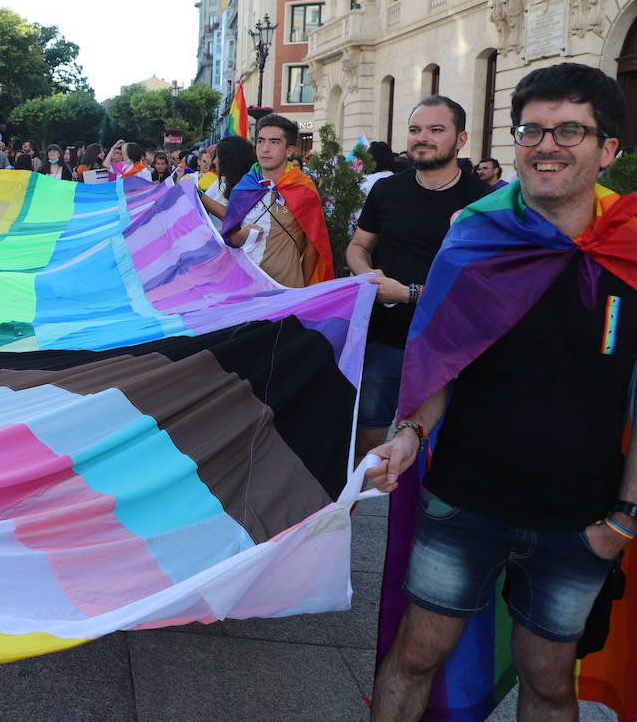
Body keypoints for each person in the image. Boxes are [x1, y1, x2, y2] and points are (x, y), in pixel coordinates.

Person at [367, 63, 637, 721]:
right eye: (532, 130)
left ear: (608, 150)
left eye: (570, 130)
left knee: (550, 683)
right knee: (414, 656)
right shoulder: (477, 238)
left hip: (580, 518)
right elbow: (438, 364)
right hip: (464, 502)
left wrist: (623, 520)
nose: (547, 145)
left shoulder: (631, 250)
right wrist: (410, 432)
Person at [346, 97, 491, 463]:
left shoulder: (484, 202)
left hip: (451, 345)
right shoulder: (387, 190)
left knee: (437, 451)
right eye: (415, 130)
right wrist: (365, 274)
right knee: (367, 446)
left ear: (461, 139)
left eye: (435, 130)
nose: (422, 138)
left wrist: (409, 293)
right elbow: (358, 246)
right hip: (385, 340)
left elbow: (482, 288)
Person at [220, 114, 334, 287]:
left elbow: (314, 246)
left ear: (289, 150)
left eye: (274, 142)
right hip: (244, 289)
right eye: (260, 141)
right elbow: (230, 238)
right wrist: (242, 235)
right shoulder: (243, 188)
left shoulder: (303, 190)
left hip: (286, 292)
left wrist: (299, 288)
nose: (265, 149)